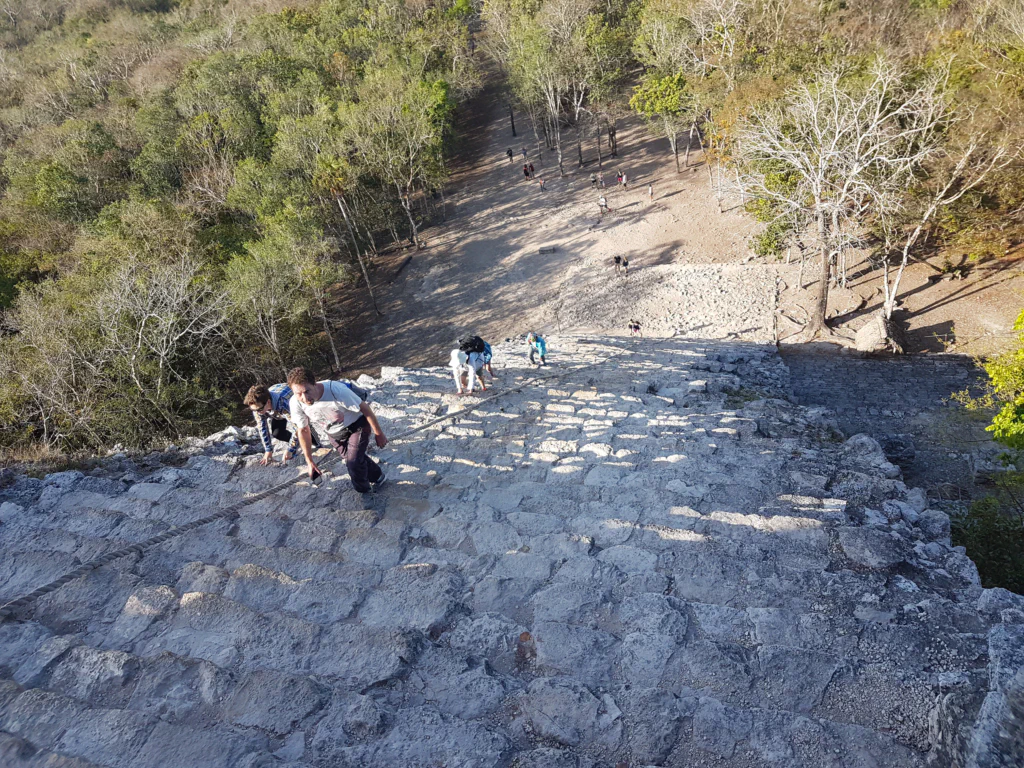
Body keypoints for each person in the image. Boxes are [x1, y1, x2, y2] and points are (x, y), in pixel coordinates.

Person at [287, 367, 387, 493]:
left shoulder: (336, 390)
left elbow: (365, 409)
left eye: (307, 391)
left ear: (314, 384)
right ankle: (378, 476)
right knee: (354, 459)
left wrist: (379, 434)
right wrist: (309, 461)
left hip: (357, 426)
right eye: (298, 393)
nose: (305, 398)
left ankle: (364, 492)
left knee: (353, 463)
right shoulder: (295, 403)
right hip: (334, 434)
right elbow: (303, 431)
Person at [244, 383, 301, 466]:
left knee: (306, 432)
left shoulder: (284, 403)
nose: (257, 413)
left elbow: (298, 427)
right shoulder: (258, 407)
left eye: (259, 409)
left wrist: (290, 449)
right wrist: (268, 450)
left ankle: (314, 444)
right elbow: (262, 428)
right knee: (277, 433)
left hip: (290, 403)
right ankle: (297, 444)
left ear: (268, 402)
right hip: (275, 411)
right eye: (254, 410)